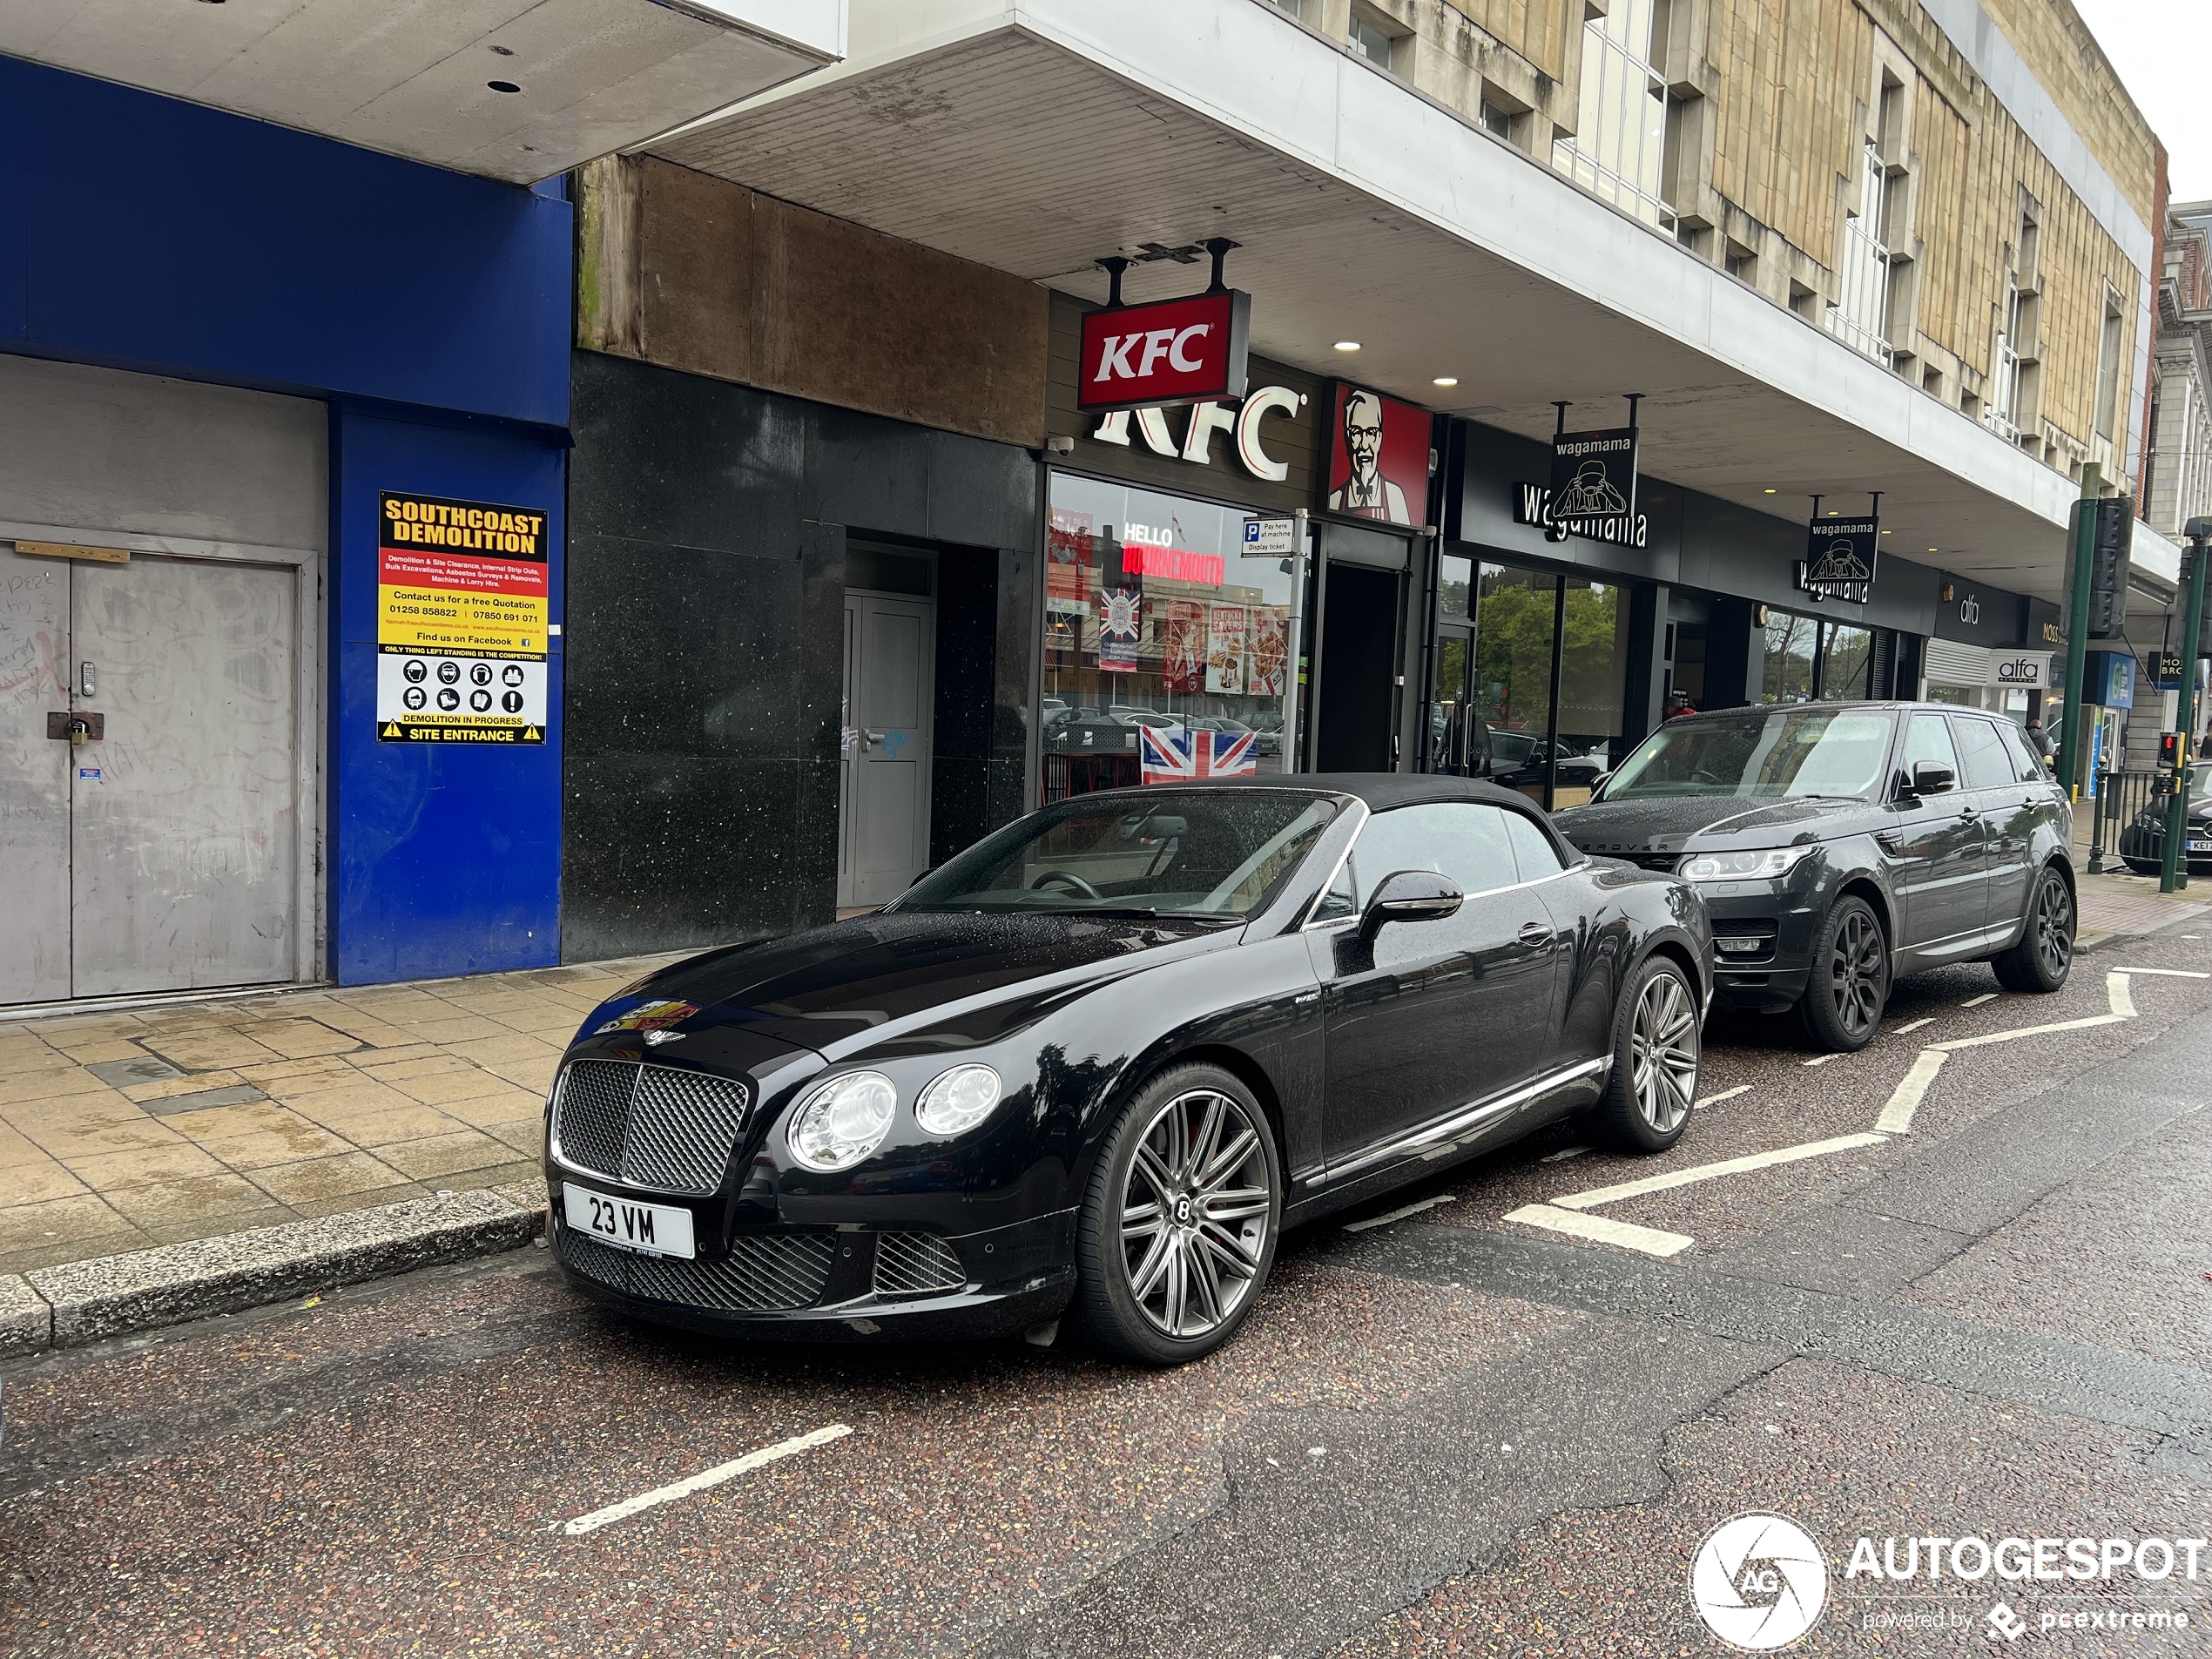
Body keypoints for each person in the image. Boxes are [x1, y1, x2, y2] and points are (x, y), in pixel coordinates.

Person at [1328, 389, 1412, 523]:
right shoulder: (1335, 500)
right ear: (1348, 437)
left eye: (1371, 433)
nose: (1364, 444)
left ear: (1379, 438)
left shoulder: (1394, 496)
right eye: (1357, 432)